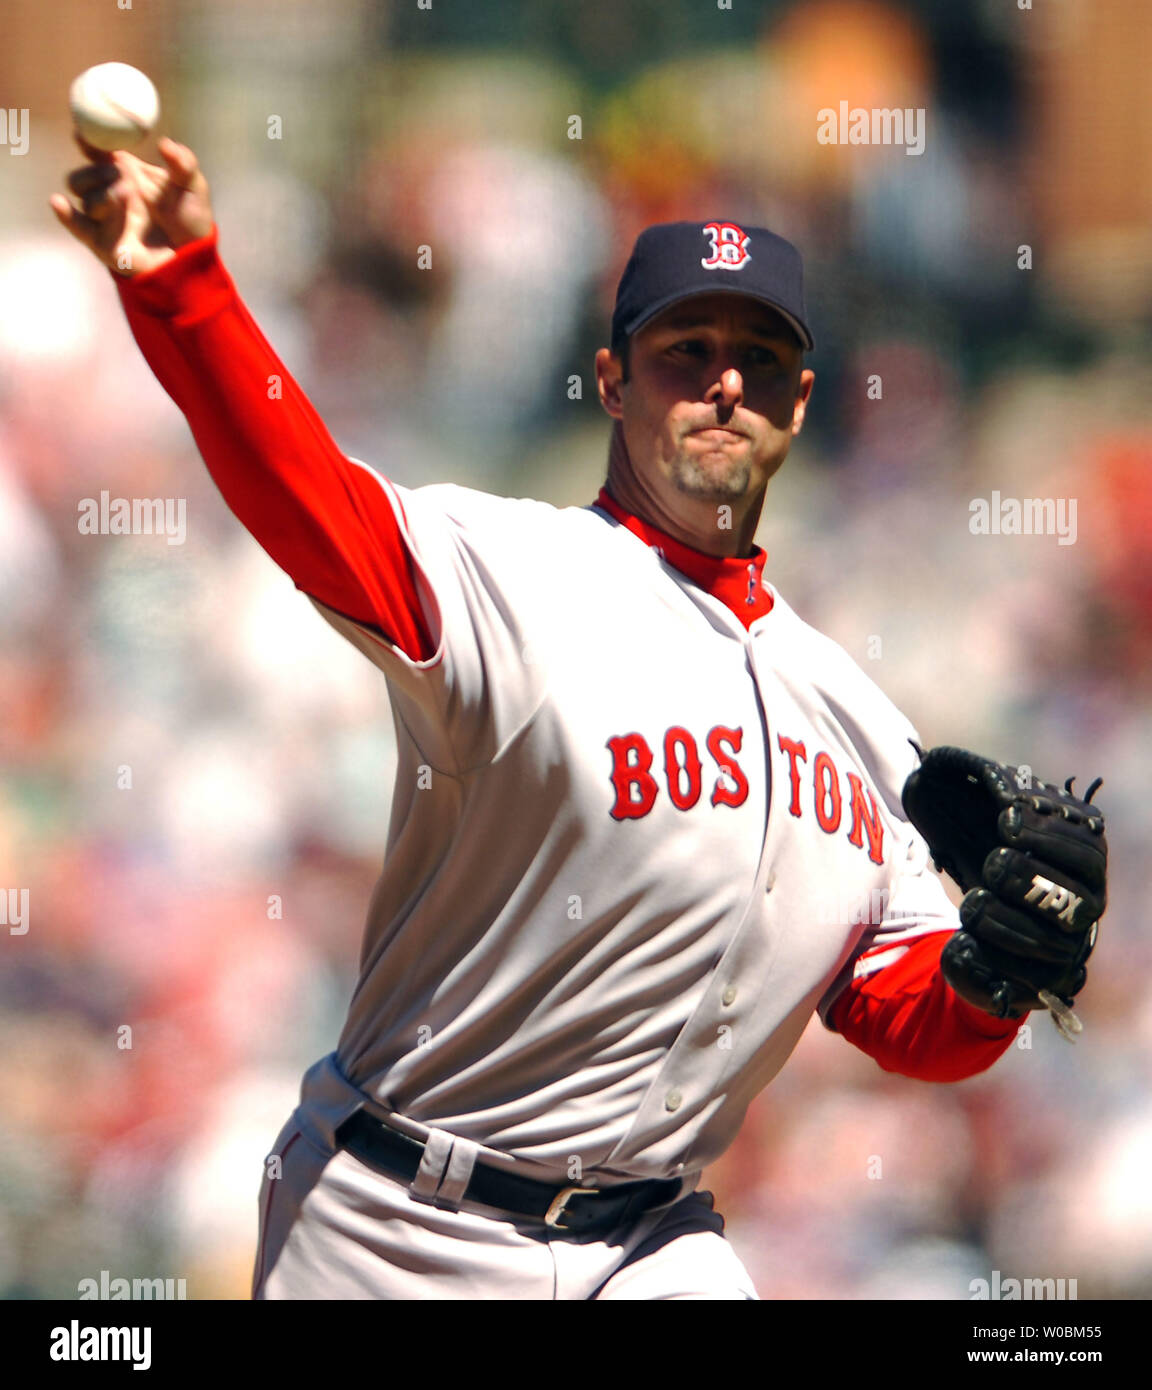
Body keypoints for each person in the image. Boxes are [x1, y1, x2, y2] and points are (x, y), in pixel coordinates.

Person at [52, 140, 1024, 1301]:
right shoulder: (514, 572)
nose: (725, 383)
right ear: (613, 380)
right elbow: (298, 488)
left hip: (656, 1242)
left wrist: (1000, 971)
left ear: (800, 402)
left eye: (760, 358)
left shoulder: (862, 718)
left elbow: (904, 1016)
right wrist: (182, 289)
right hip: (400, 1220)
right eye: (687, 351)